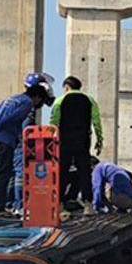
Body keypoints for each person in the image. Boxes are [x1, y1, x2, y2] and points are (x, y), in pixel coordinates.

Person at [0, 72, 53, 212]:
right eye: (41, 101)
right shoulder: (27, 103)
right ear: (38, 97)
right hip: (5, 140)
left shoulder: (13, 98)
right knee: (4, 174)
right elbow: (11, 117)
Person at [49, 76, 103, 209]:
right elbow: (96, 121)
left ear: (67, 87)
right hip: (83, 141)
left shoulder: (60, 100)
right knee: (84, 171)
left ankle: (59, 203)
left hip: (65, 141)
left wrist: (51, 140)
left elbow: (54, 121)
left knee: (63, 171)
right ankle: (88, 204)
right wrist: (99, 139)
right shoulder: (90, 100)